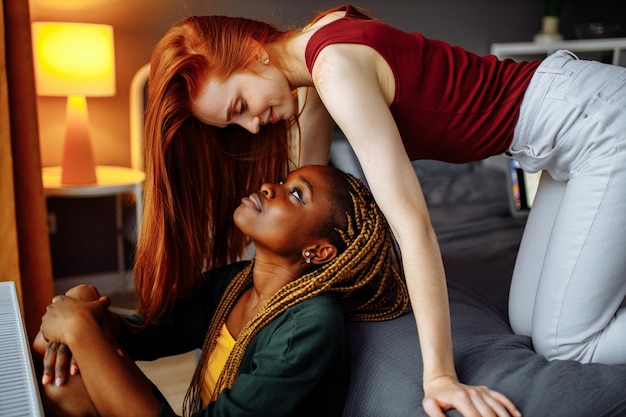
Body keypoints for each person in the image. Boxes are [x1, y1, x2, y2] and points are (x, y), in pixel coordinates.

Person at [140, 3, 626, 415]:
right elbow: (310, 188)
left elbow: (412, 225)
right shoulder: (314, 62)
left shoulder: (334, 70)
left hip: (600, 125)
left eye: (241, 104)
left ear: (251, 52)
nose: (250, 127)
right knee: (528, 325)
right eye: (234, 124)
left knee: (566, 345)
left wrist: (439, 376)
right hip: (563, 140)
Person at [35, 165, 410, 417]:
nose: (269, 187)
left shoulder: (310, 326)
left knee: (64, 377)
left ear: (319, 251)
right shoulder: (236, 283)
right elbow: (146, 334)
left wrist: (79, 328)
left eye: (297, 195)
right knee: (65, 382)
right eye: (283, 181)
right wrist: (87, 307)